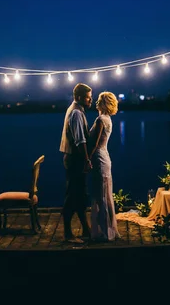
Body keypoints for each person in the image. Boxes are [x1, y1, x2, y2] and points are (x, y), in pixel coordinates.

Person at [59, 83, 93, 243]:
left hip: (72, 158)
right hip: (75, 159)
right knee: (73, 194)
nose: (90, 100)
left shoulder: (73, 109)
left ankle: (86, 229)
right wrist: (86, 159)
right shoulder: (77, 113)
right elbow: (80, 141)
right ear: (79, 97)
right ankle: (67, 233)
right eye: (88, 97)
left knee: (78, 194)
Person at [88, 91, 120, 242]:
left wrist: (87, 158)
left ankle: (105, 232)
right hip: (105, 157)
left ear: (102, 103)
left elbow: (94, 143)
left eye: (99, 101)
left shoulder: (101, 120)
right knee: (105, 195)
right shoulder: (108, 119)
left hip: (99, 159)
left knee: (101, 196)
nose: (96, 103)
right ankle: (108, 229)